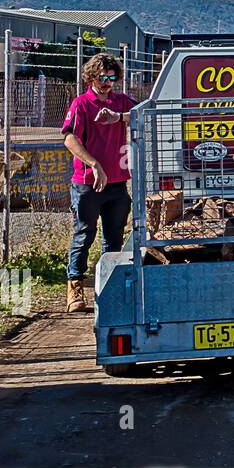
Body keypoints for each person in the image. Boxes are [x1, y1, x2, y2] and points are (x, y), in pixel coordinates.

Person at [61, 53, 135, 313]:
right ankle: (75, 287)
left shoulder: (121, 102)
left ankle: (108, 289)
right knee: (84, 234)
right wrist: (94, 164)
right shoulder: (81, 104)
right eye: (101, 77)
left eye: (111, 78)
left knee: (114, 239)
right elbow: (69, 138)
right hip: (87, 184)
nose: (106, 83)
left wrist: (119, 117)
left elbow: (147, 111)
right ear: (91, 77)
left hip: (117, 183)